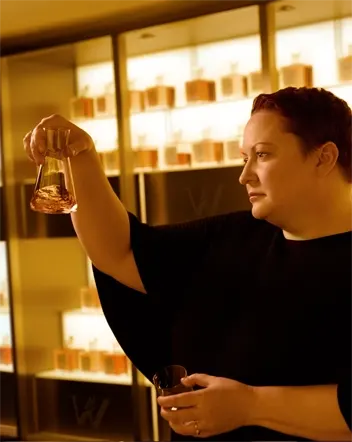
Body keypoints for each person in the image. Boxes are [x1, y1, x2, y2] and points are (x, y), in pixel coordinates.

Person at [24, 86, 352, 441]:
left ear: (324, 158)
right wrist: (82, 156)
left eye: (263, 155)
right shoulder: (233, 236)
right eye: (245, 158)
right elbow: (120, 252)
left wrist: (250, 405)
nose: (245, 176)